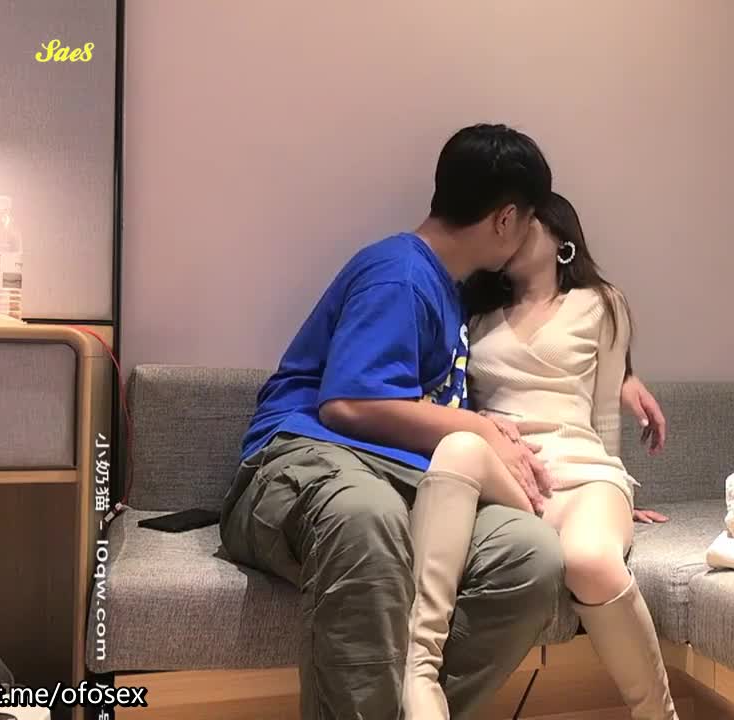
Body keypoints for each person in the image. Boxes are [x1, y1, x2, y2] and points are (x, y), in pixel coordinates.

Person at [219, 125, 665, 720]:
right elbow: (347, 406)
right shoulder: (399, 273)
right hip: (308, 459)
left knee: (530, 554)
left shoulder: (459, 297)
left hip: (406, 476)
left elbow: (550, 372)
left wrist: (620, 381)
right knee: (367, 519)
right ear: (506, 219)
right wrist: (481, 431)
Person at [403, 192, 679, 720]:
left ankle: (659, 715)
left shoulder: (601, 303)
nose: (508, 231)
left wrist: (618, 495)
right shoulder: (476, 312)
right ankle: (419, 673)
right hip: (511, 473)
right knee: (460, 445)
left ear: (559, 237)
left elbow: (604, 414)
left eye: (523, 223)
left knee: (590, 560)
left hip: (584, 474)